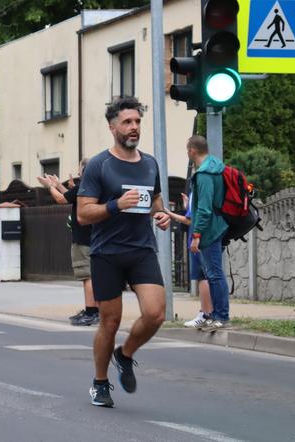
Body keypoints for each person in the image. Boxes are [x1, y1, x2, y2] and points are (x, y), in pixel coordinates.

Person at [77, 96, 170, 408]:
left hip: (142, 248)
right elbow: (83, 214)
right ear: (112, 127)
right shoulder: (98, 165)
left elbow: (155, 202)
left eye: (137, 122)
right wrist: (116, 204)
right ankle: (100, 382)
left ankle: (125, 354)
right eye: (127, 122)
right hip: (107, 253)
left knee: (156, 313)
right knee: (110, 321)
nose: (134, 128)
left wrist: (161, 214)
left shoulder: (150, 163)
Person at [38, 162, 99, 326]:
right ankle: (93, 310)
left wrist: (50, 186)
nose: (79, 174)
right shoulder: (94, 187)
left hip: (84, 238)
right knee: (93, 275)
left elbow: (60, 199)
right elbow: (70, 196)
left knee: (87, 276)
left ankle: (91, 312)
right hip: (96, 237)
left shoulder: (85, 186)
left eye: (81, 170)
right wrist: (58, 184)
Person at [186, 135, 230, 331]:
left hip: (209, 231)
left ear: (192, 151)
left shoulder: (204, 174)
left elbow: (204, 209)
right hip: (217, 226)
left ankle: (220, 315)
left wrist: (196, 235)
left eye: (188, 151)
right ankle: (216, 314)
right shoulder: (216, 166)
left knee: (214, 274)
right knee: (214, 273)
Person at [165, 191, 212, 327]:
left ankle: (205, 314)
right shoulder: (201, 189)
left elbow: (189, 220)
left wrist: (169, 213)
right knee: (207, 276)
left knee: (202, 277)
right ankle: (211, 313)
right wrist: (187, 206)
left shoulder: (199, 187)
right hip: (206, 237)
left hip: (198, 239)